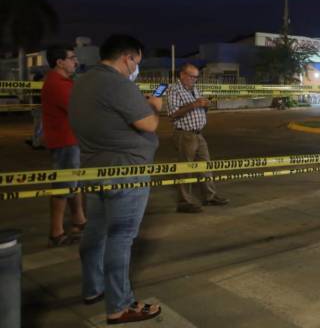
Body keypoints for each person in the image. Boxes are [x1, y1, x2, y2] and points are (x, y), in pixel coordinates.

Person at [69, 34, 162, 324]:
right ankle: (119, 305)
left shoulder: (82, 82)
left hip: (95, 169)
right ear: (128, 58)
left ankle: (93, 288)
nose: (137, 68)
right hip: (126, 172)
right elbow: (148, 123)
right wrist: (155, 104)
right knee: (120, 237)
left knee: (95, 231)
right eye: (137, 62)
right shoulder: (118, 83)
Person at [41, 45, 87, 247]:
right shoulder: (57, 83)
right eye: (72, 58)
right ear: (59, 62)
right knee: (63, 185)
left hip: (71, 139)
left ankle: (79, 219)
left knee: (73, 183)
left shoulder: (64, 81)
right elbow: (77, 108)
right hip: (65, 141)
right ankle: (56, 231)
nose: (75, 62)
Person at [167, 63, 229, 213]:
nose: (194, 80)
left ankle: (210, 196)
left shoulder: (194, 89)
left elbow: (199, 108)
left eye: (196, 77)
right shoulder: (173, 90)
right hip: (185, 134)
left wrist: (205, 105)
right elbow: (173, 114)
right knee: (185, 168)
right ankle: (184, 202)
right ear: (182, 75)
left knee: (205, 165)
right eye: (191, 76)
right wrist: (194, 104)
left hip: (198, 133)